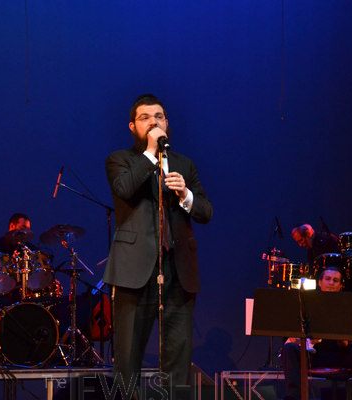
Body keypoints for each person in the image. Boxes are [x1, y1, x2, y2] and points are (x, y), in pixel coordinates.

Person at [103, 94, 213, 396]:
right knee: (128, 359)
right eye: (145, 117)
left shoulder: (184, 164)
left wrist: (185, 195)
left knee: (178, 358)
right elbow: (125, 189)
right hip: (134, 272)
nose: (154, 122)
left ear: (167, 122)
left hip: (178, 271)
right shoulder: (120, 160)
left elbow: (206, 211)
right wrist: (151, 152)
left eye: (159, 116)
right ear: (132, 126)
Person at [281, 267, 352, 400]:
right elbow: (297, 334)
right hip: (314, 355)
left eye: (335, 280)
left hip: (341, 355)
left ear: (340, 285)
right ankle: (293, 398)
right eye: (327, 279)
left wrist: (343, 338)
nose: (331, 283)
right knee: (289, 348)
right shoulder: (306, 303)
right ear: (320, 282)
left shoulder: (346, 304)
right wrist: (309, 339)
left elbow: (345, 344)